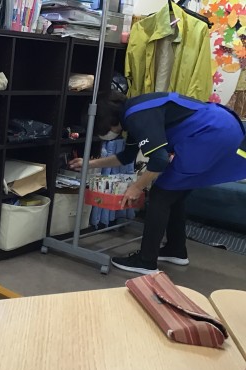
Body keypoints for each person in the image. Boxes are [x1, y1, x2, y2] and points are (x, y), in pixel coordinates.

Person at [70, 91, 246, 275]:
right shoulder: (132, 113)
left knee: (160, 195)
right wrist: (89, 164)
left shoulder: (136, 116)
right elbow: (127, 157)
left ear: (108, 121)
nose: (103, 135)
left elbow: (159, 160)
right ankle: (176, 250)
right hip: (222, 128)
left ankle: (146, 261)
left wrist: (137, 187)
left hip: (213, 134)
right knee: (174, 194)